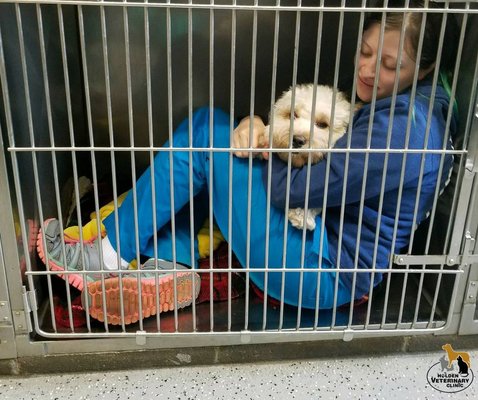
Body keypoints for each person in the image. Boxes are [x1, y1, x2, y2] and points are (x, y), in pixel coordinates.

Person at [38, 0, 459, 325]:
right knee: (216, 151)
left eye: (388, 65)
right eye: (366, 52)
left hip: (320, 269)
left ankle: (107, 255)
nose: (367, 70)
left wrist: (263, 134)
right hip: (321, 243)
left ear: (427, 67)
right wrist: (259, 135)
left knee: (208, 135)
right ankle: (170, 267)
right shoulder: (426, 105)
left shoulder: (403, 130)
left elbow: (287, 190)